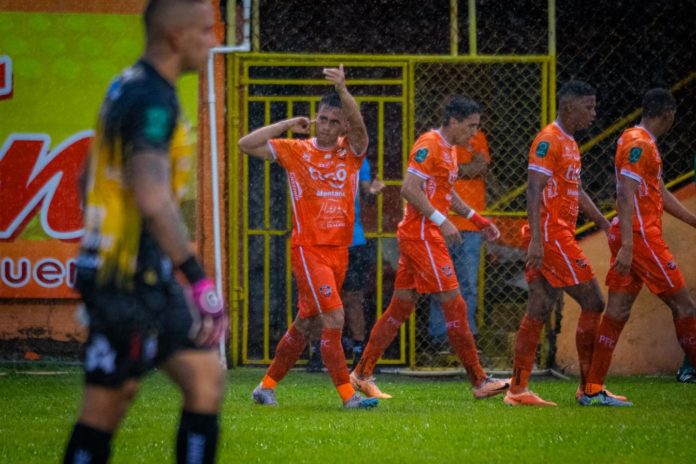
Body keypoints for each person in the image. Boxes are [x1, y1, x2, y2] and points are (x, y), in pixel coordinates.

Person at [63, 1, 226, 463]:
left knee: (205, 381)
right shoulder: (153, 99)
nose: (213, 41)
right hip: (124, 281)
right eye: (205, 31)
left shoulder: (126, 84)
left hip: (142, 276)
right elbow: (152, 195)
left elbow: (87, 176)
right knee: (106, 406)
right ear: (177, 37)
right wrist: (198, 279)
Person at [350, 96, 509, 400]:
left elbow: (446, 195)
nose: (474, 133)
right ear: (452, 121)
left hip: (422, 233)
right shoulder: (430, 144)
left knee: (399, 308)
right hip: (422, 234)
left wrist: (478, 220)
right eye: (470, 125)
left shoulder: (449, 150)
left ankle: (361, 373)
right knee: (455, 303)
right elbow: (409, 189)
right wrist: (442, 221)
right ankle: (478, 381)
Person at [238, 65, 378, 409]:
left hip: (340, 250)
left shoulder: (351, 151)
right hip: (308, 249)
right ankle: (348, 397)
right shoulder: (297, 150)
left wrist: (344, 90)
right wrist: (287, 124)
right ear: (315, 120)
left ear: (343, 125)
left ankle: (265, 386)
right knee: (335, 318)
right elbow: (246, 144)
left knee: (307, 321)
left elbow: (361, 129)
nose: (328, 127)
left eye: (335, 121)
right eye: (323, 120)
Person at [580, 88, 696, 405]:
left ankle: (592, 390)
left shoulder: (635, 140)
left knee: (617, 311)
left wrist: (691, 220)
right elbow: (625, 193)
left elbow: (655, 190)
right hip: (641, 238)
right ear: (669, 113)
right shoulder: (639, 144)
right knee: (685, 307)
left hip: (633, 236)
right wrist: (630, 245)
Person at [504, 80, 616, 407]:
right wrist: (537, 240)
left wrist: (603, 223)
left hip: (554, 233)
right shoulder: (548, 140)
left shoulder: (569, 143)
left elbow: (575, 190)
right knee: (594, 301)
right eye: (589, 107)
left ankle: (517, 390)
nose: (593, 114)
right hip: (552, 234)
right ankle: (590, 389)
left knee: (539, 305)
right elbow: (533, 189)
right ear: (568, 107)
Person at [428, 129, 490, 349]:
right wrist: (463, 169)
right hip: (441, 220)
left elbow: (480, 167)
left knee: (468, 283)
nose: (471, 129)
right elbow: (436, 175)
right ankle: (439, 336)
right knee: (440, 280)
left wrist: (453, 171)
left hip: (468, 224)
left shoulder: (477, 137)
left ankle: (465, 334)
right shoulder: (437, 142)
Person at [343, 159, 385, 366]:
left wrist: (374, 192)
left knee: (353, 298)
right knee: (319, 301)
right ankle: (318, 352)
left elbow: (367, 195)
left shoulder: (360, 161)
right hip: (321, 241)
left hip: (353, 239)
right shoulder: (313, 152)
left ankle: (358, 350)